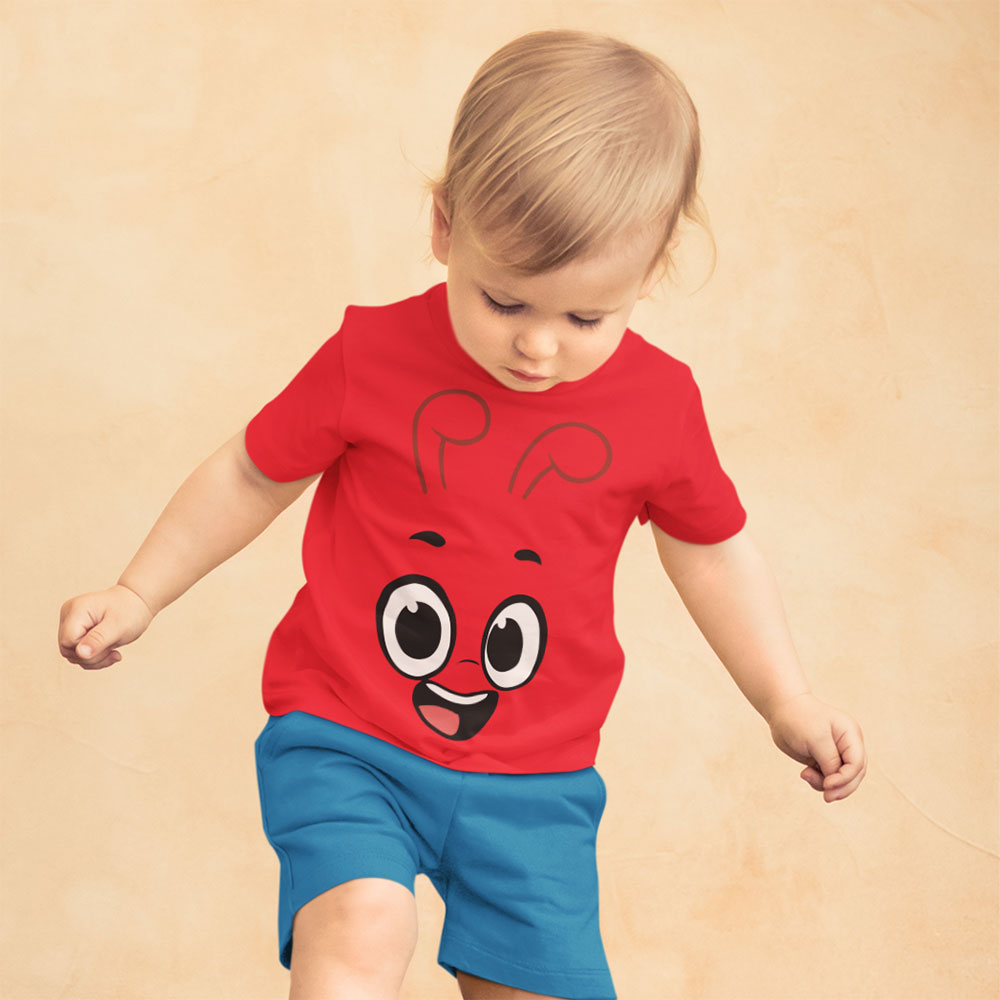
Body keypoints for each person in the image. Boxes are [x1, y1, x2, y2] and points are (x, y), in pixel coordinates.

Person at [57, 29, 867, 1000]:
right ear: (444, 226)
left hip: (537, 779)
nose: (537, 347)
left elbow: (712, 552)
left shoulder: (658, 408)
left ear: (650, 271)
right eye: (503, 299)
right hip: (348, 733)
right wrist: (139, 589)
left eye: (583, 319)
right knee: (360, 921)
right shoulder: (371, 357)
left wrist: (786, 699)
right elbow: (248, 471)